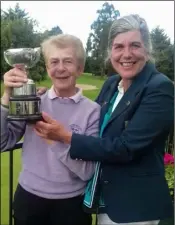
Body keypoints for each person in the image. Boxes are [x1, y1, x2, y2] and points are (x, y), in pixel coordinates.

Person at [34, 14, 174, 225]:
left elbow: (126, 148)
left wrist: (65, 136)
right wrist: (45, 97)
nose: (126, 54)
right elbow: (91, 121)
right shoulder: (112, 84)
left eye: (135, 45)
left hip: (133, 205)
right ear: (111, 52)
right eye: (119, 47)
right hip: (106, 198)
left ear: (147, 49)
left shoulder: (159, 87)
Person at [1, 34, 101, 225]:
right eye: (54, 61)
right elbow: (3, 142)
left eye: (68, 61)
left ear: (80, 69)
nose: (60, 68)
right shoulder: (33, 101)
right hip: (28, 199)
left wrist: (55, 139)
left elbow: (88, 171)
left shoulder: (93, 111)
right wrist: (6, 96)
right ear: (47, 68)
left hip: (72, 205)